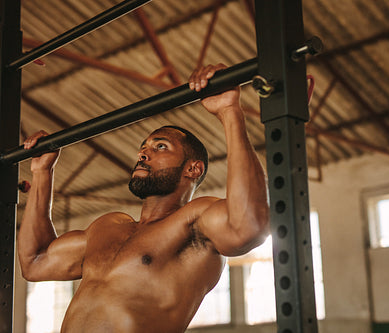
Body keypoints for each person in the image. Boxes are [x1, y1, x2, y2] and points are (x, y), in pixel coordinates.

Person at [18, 64, 270, 333]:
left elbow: (250, 226)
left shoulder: (195, 222)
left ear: (192, 169)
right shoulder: (107, 227)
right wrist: (42, 172)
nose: (143, 154)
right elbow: (35, 262)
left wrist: (229, 111)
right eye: (143, 148)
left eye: (160, 146)